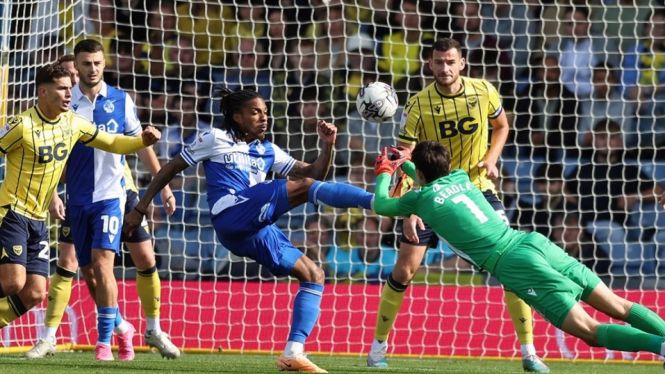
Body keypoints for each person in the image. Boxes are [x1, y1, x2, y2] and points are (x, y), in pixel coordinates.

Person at [122, 87, 375, 373]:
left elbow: (316, 175)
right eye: (255, 112)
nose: (263, 118)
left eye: (265, 112)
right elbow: (171, 168)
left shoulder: (268, 150)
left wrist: (328, 145)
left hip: (253, 227)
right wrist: (141, 207)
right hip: (231, 214)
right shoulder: (215, 138)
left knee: (313, 274)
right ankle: (376, 201)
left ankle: (292, 353)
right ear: (237, 116)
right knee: (302, 188)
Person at [373, 141, 665, 361]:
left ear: (421, 173)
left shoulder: (420, 200)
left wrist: (386, 170)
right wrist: (407, 162)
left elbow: (381, 204)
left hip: (513, 262)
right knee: (617, 305)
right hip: (533, 242)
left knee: (589, 331)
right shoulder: (460, 176)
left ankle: (660, 347)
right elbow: (432, 177)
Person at [366, 38, 548, 372]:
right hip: (428, 195)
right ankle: (377, 350)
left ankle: (529, 352)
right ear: (430, 64)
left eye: (451, 62)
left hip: (475, 189)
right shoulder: (419, 104)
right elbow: (403, 158)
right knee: (404, 270)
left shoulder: (484, 92)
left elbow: (502, 126)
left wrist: (492, 159)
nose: (445, 68)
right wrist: (407, 211)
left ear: (462, 63)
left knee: (512, 266)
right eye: (438, 62)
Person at [25, 40, 180, 360]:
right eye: (83, 65)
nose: (89, 69)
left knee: (143, 259)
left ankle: (144, 330)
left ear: (103, 64)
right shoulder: (66, 107)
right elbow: (49, 153)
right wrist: (53, 192)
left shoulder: (120, 101)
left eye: (95, 63)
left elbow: (141, 146)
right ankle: (117, 327)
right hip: (78, 198)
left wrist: (162, 184)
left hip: (119, 192)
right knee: (84, 269)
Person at [0, 63, 160, 337]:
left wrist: (141, 141)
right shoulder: (22, 125)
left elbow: (111, 143)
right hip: (11, 211)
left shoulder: (74, 123)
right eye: (62, 88)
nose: (68, 94)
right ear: (43, 91)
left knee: (36, 292)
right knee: (14, 283)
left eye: (69, 89)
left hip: (38, 220)